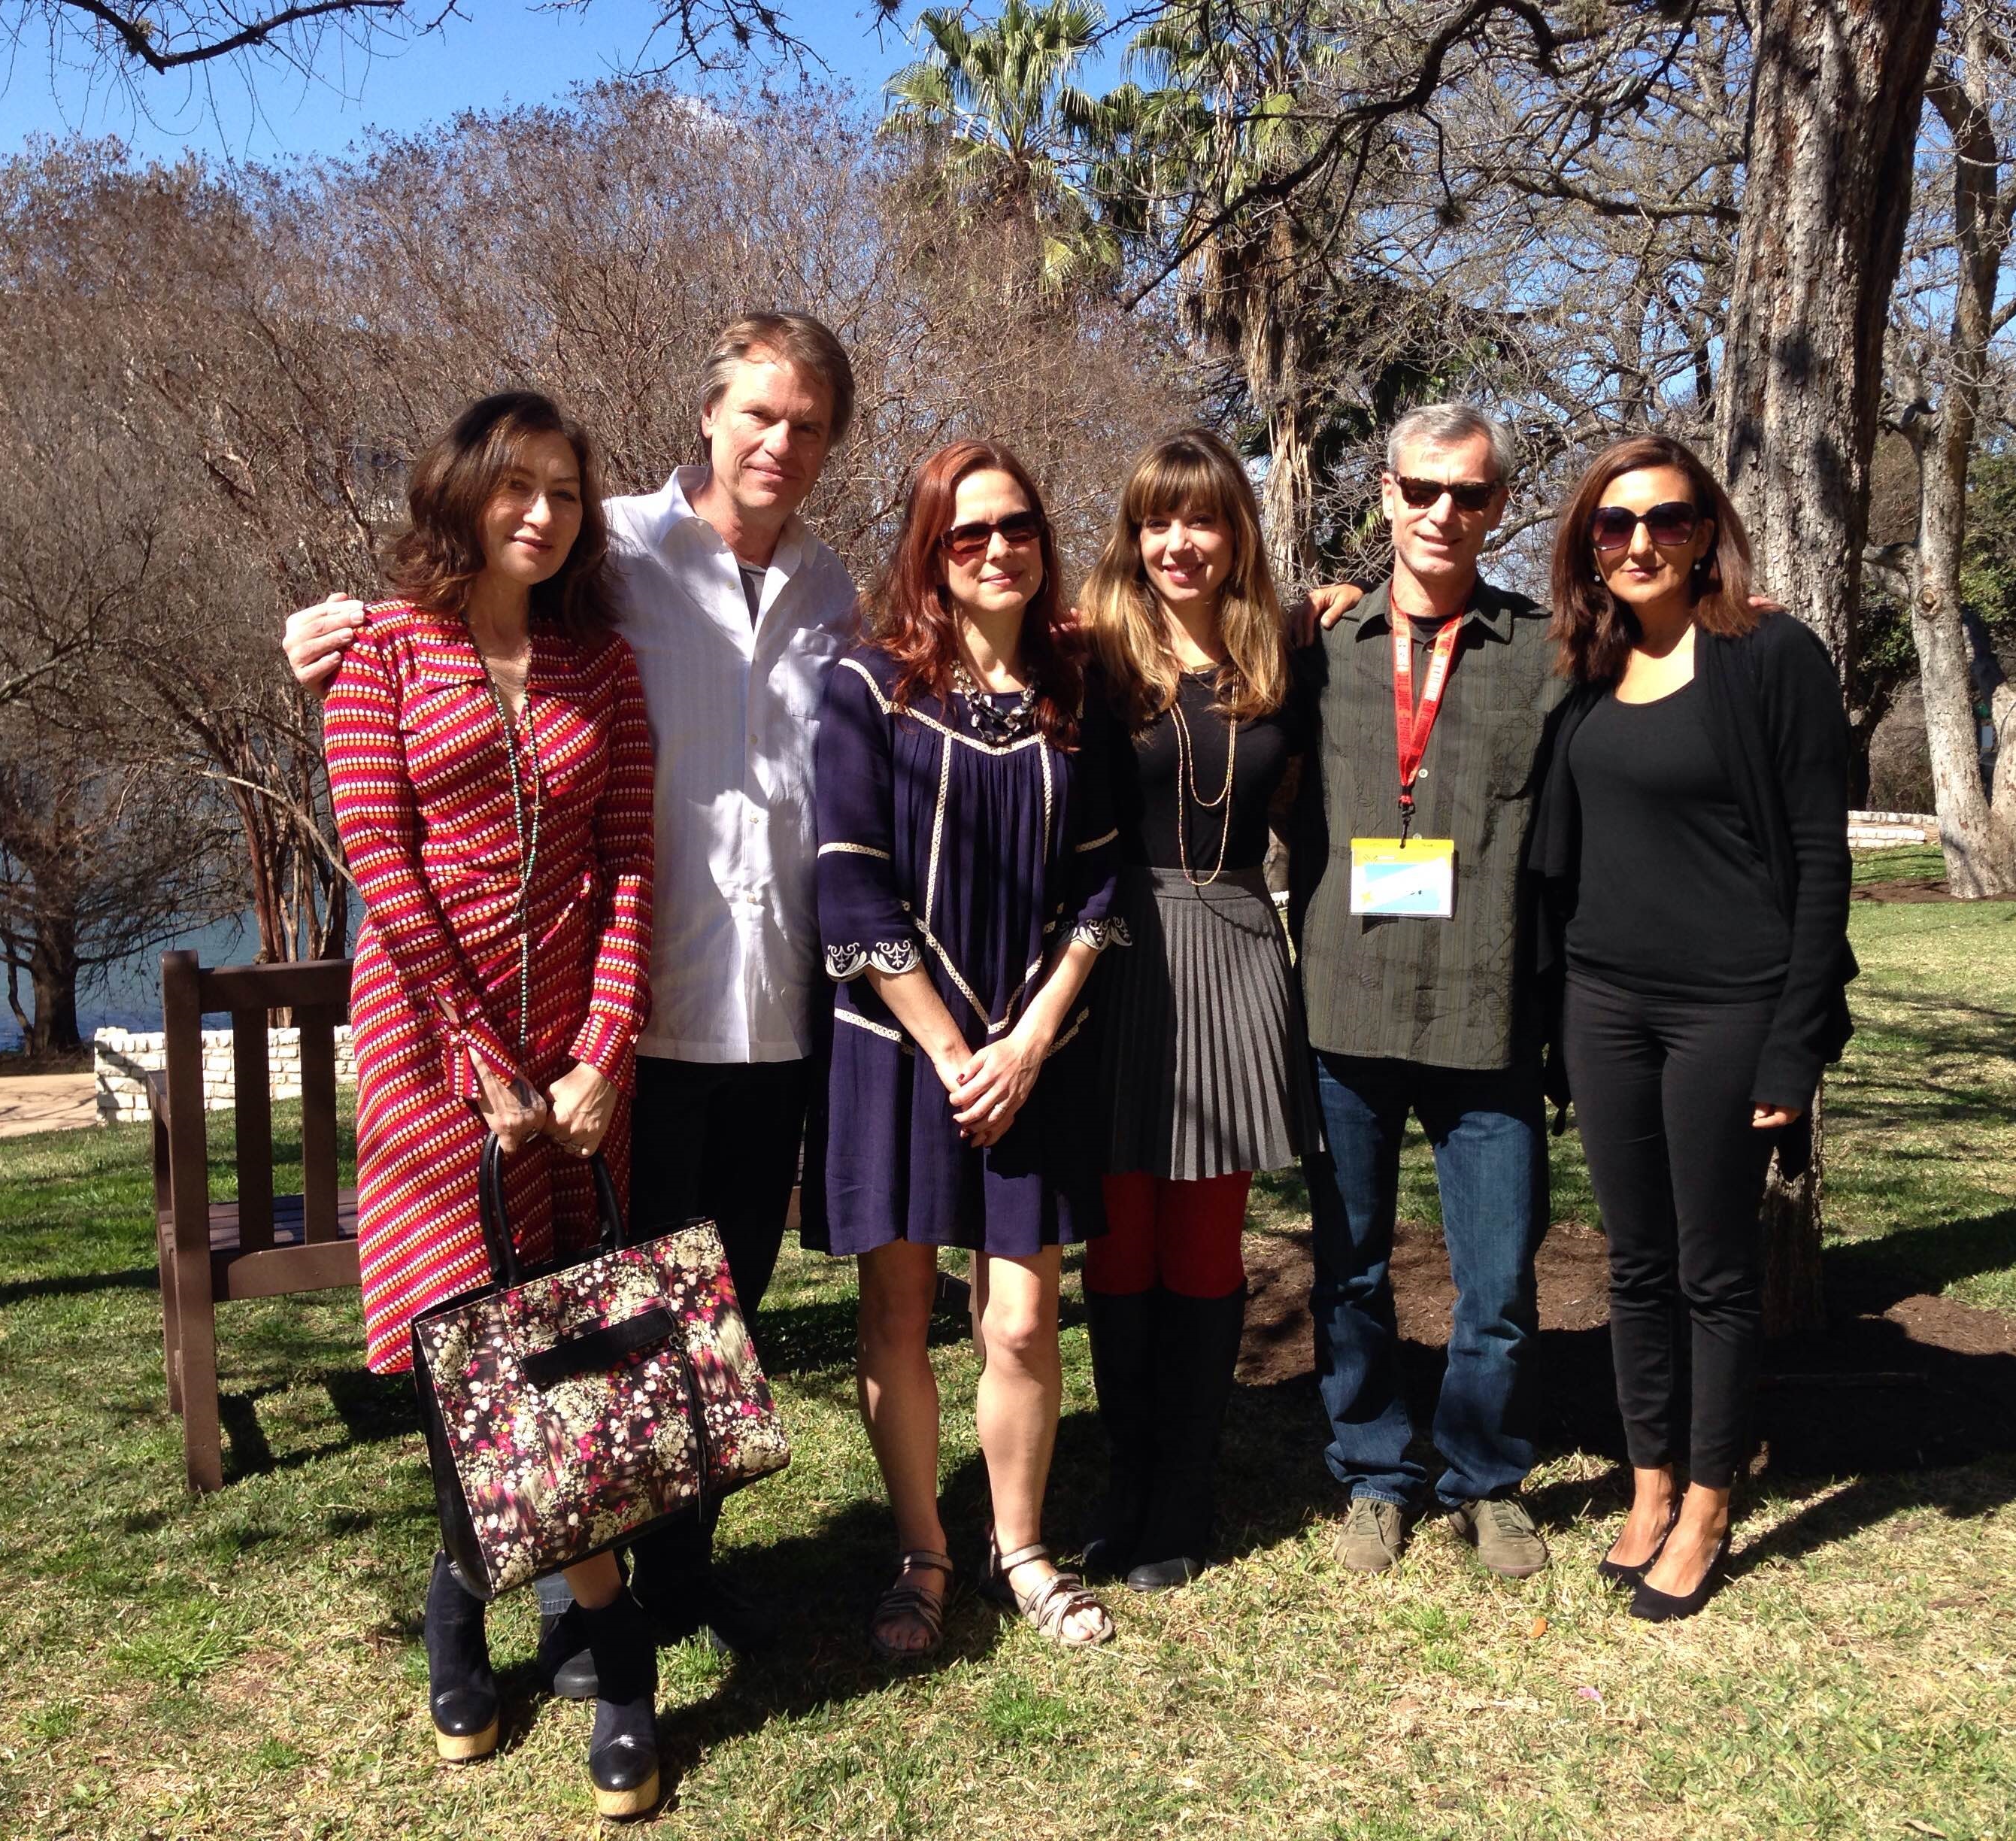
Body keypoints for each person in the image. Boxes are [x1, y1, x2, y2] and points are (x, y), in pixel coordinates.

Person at [284, 314, 861, 1670]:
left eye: (811, 424)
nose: (782, 442)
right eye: (761, 414)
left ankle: (674, 1572)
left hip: (763, 1010)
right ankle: (570, 1588)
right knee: (541, 1323)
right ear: (709, 416)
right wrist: (329, 629)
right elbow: (387, 832)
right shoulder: (623, 552)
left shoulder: (835, 590)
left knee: (713, 1307)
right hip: (611, 1038)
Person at [320, 391, 662, 1818]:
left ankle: (460, 1593)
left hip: (573, 1075)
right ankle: (617, 1643)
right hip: (429, 1069)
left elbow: (635, 863)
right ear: (461, 495)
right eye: (515, 488)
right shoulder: (382, 655)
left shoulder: (604, 667)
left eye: (567, 496)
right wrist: (483, 1062)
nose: (541, 514)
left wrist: (603, 1051)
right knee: (464, 1359)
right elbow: (381, 868)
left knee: (565, 1356)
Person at [1529, 433, 1854, 1621]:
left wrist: (1795, 1041)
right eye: (1613, 526)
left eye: (1665, 520)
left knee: (1716, 1273)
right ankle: (1649, 1480)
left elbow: (1821, 860)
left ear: (1706, 528)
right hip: (1604, 1004)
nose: (1640, 543)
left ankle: (1711, 1503)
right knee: (1633, 1264)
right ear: (1589, 547)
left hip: (1731, 1005)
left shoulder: (1771, 655)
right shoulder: (1587, 665)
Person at [814, 439, 1122, 1658]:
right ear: (930, 552)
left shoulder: (1078, 691)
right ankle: (923, 1556)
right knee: (898, 1306)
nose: (1000, 550)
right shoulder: (870, 685)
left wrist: (1030, 1044)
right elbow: (849, 886)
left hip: (1029, 1051)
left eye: (1021, 528)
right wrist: (954, 1052)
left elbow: (1102, 892)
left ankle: (1022, 1547)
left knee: (1021, 1320)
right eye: (969, 533)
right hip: (899, 1047)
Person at [1287, 401, 1566, 1580]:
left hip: (1483, 1013)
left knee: (1496, 1279)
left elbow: (1676, 654)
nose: (1445, 513)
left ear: (1500, 506)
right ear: (1385, 498)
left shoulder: (1548, 652)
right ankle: (1373, 1473)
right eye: (1423, 490)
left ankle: (1486, 1478)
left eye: (1473, 494)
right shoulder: (1319, 648)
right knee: (1348, 1270)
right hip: (1343, 1010)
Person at [1076, 427, 1323, 1592]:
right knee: (1119, 1240)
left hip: (1232, 948)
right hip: (1113, 952)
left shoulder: (1286, 651)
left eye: (1204, 519)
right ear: (1134, 535)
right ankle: (1126, 1479)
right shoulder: (1087, 653)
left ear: (1238, 534)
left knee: (1204, 1241)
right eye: (1156, 521)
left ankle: (1186, 1488)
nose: (1179, 542)